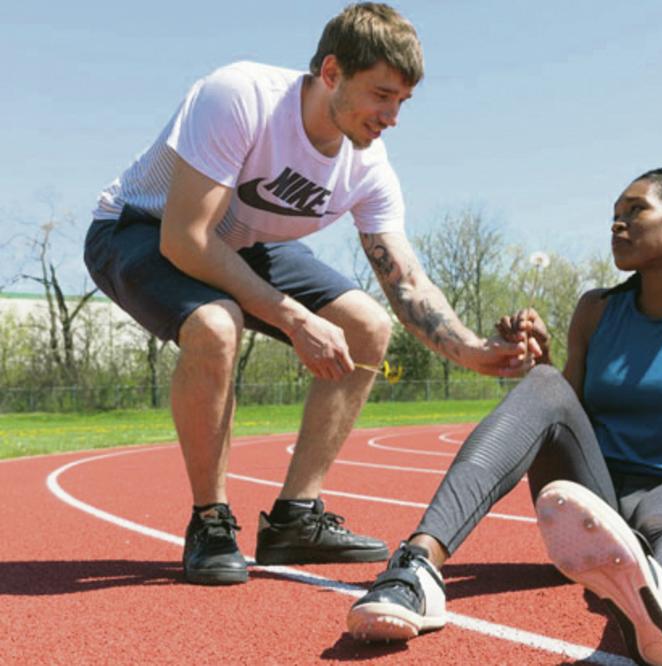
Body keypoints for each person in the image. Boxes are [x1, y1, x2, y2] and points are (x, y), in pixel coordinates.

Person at [83, 3, 527, 586]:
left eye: (403, 102)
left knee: (367, 325)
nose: (392, 116)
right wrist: (294, 319)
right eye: (382, 94)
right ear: (333, 72)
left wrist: (472, 352)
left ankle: (294, 518)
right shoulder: (239, 97)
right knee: (216, 324)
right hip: (141, 228)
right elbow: (186, 240)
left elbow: (408, 282)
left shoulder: (368, 167)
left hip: (241, 242)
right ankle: (211, 520)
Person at [346, 167, 662, 665]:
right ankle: (415, 568)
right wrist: (542, 359)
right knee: (542, 384)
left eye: (635, 211)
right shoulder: (596, 309)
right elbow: (564, 416)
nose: (618, 224)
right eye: (614, 214)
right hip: (591, 495)